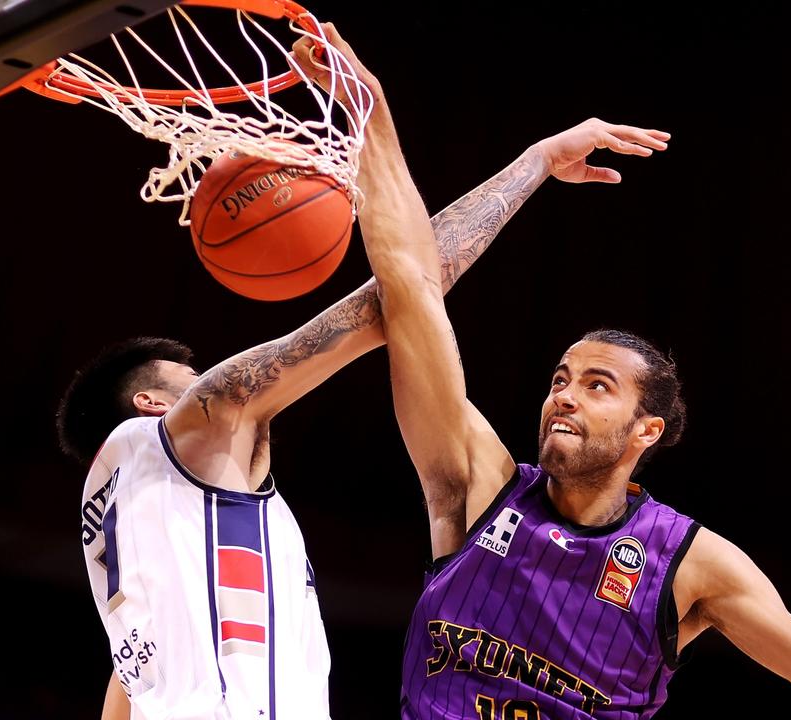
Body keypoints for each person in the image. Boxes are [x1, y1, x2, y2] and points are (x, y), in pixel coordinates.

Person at [305, 29, 791, 720]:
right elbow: (410, 286)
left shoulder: (687, 563)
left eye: (597, 385)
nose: (563, 396)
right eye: (561, 378)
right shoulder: (477, 482)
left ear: (647, 430)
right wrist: (372, 115)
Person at [56, 29, 669, 720]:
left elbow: (125, 700)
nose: (207, 379)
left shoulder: (118, 545)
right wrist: (513, 157)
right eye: (191, 375)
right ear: (150, 401)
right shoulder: (200, 421)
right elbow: (404, 293)